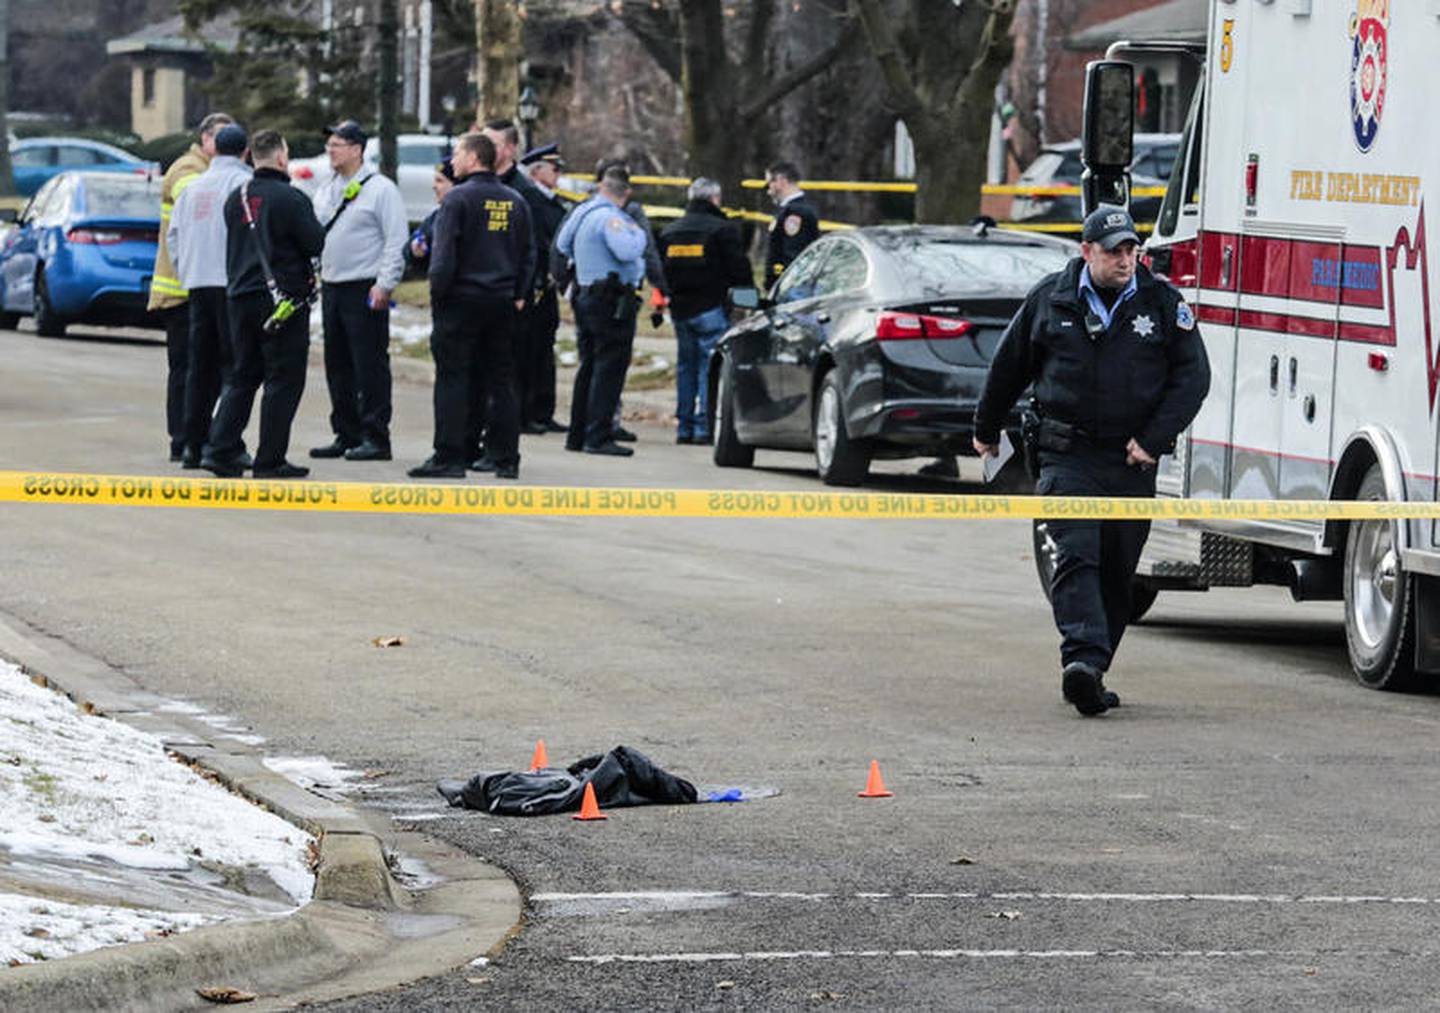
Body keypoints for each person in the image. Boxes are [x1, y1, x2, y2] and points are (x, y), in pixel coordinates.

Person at [972, 206, 1210, 717]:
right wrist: (985, 431)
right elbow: (1008, 366)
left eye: (1131, 250)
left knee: (1119, 572)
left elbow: (1192, 378)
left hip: (1130, 461)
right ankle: (1080, 660)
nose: (1126, 260)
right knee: (1077, 554)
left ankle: (1093, 670)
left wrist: (1152, 438)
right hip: (1067, 453)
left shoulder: (1162, 302)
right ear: (1086, 253)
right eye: (1113, 251)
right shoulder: (1050, 299)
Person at [410, 133, 533, 480]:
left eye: (458, 152)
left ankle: (449, 455)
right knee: (502, 380)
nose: (453, 158)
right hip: (501, 301)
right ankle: (507, 457)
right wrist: (519, 292)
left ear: (474, 157)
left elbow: (445, 255)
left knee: (452, 378)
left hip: (461, 300)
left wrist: (438, 292)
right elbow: (528, 253)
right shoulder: (515, 200)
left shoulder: (458, 200)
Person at [202, 130, 326, 479]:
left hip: (239, 296)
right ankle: (270, 458)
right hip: (281, 301)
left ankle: (221, 447)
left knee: (243, 374)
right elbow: (315, 243)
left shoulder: (235, 199)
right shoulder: (291, 199)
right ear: (282, 158)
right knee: (283, 379)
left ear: (250, 157)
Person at [309, 119, 409, 463]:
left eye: (337, 145)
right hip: (333, 285)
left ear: (356, 149)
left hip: (364, 286)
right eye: (330, 145)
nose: (330, 151)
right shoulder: (327, 188)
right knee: (337, 364)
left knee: (369, 364)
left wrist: (385, 284)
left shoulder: (380, 189)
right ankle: (346, 431)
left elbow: (396, 240)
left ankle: (375, 435)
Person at [167, 124, 253, 470]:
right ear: (245, 152)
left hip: (197, 283)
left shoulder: (194, 187)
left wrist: (187, 270)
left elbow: (173, 237)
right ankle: (225, 441)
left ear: (214, 149)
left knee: (199, 368)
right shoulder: (243, 184)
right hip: (230, 284)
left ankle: (192, 444)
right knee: (234, 367)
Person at [149, 112, 233, 462]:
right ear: (205, 139)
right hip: (180, 292)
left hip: (202, 288)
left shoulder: (208, 171)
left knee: (206, 369)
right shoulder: (187, 169)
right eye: (222, 138)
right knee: (187, 369)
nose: (228, 145)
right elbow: (197, 198)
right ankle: (182, 438)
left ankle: (194, 436)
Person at [553, 166, 647, 457]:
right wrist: (639, 233)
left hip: (586, 295)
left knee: (589, 366)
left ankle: (577, 434)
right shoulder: (613, 218)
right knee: (609, 369)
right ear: (625, 193)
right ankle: (599, 435)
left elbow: (561, 244)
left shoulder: (582, 212)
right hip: (610, 300)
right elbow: (628, 251)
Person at [657, 177, 753, 444]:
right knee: (708, 369)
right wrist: (749, 298)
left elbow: (661, 272)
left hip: (679, 311)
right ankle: (704, 427)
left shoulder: (670, 232)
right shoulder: (723, 230)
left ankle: (684, 427)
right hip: (711, 308)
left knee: (686, 368)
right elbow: (739, 271)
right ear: (715, 199)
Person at [519, 143, 573, 435]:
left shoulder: (553, 202)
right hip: (534, 282)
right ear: (537, 171)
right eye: (555, 169)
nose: (559, 174)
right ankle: (527, 411)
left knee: (544, 348)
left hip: (549, 284)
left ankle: (543, 408)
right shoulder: (529, 200)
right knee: (530, 348)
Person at [764, 160, 820, 282]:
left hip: (791, 284)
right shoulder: (789, 209)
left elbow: (792, 255)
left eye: (769, 183)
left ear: (780, 181)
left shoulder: (796, 212)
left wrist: (779, 281)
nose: (768, 190)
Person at [403, 157, 457, 274]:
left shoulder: (469, 215)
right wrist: (415, 251)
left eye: (440, 181)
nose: (434, 186)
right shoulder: (435, 217)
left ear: (455, 185)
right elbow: (408, 249)